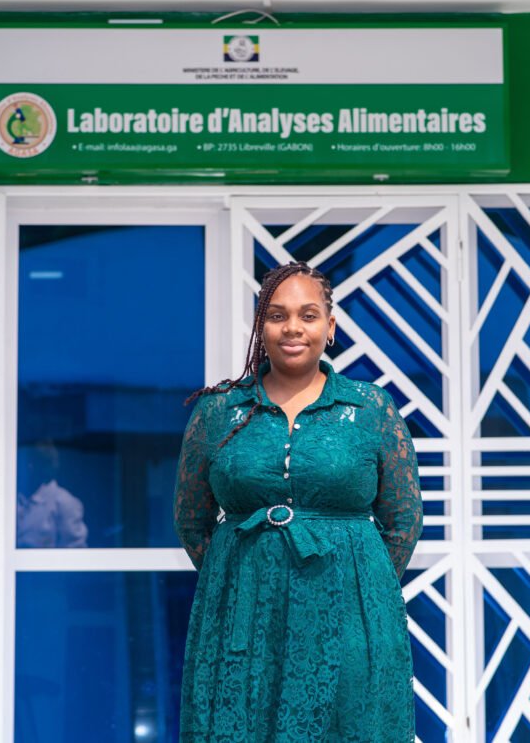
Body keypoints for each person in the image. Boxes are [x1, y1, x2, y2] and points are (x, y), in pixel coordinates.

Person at [173, 260, 424, 742]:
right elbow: (190, 518)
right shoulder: (219, 411)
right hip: (244, 616)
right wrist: (240, 574)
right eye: (277, 315)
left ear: (330, 328)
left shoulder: (370, 408)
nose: (293, 327)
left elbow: (404, 517)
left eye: (308, 315)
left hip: (350, 616)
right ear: (260, 327)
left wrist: (358, 583)